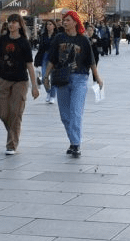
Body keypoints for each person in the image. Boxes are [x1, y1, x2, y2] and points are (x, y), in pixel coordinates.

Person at [44, 10, 103, 158]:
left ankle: (76, 145)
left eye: (68, 20)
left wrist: (98, 78)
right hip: (62, 79)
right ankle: (73, 141)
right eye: (64, 20)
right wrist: (45, 77)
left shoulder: (83, 40)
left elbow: (91, 61)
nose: (64, 22)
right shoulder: (59, 38)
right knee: (65, 115)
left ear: (75, 22)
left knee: (76, 112)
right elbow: (52, 58)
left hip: (79, 79)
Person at [0, 14, 38, 155]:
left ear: (19, 25)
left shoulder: (24, 43)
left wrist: (34, 86)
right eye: (9, 22)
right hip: (4, 80)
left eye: (14, 22)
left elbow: (29, 65)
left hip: (20, 81)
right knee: (3, 113)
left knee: (15, 113)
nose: (11, 24)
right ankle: (13, 133)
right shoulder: (3, 40)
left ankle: (11, 145)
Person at [34, 20, 58, 104]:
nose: (48, 26)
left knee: (54, 78)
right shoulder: (43, 36)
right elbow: (40, 49)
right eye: (47, 24)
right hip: (45, 57)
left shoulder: (57, 36)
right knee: (44, 77)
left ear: (54, 26)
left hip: (54, 58)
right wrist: (37, 60)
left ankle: (52, 96)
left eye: (50, 24)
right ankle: (48, 92)